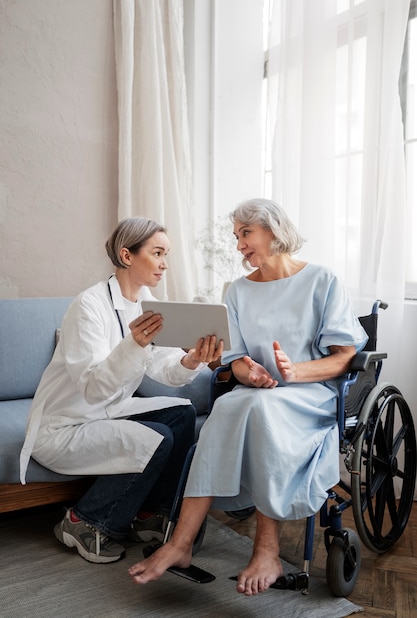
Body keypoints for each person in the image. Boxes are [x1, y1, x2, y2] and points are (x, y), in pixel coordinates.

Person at [128, 198, 368, 595]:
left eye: (245, 234)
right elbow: (236, 359)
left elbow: (344, 358)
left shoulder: (322, 281)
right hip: (258, 395)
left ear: (272, 231)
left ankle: (267, 549)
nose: (238, 245)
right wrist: (248, 371)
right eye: (236, 236)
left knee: (256, 408)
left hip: (309, 397)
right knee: (228, 405)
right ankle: (180, 543)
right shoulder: (237, 291)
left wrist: (296, 371)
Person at [19, 217, 222, 564]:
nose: (164, 263)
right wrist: (134, 344)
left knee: (182, 413)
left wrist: (191, 361)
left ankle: (149, 514)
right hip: (65, 425)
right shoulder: (88, 307)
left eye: (166, 254)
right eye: (157, 253)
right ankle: (85, 520)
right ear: (127, 256)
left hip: (106, 413)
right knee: (156, 437)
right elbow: (94, 388)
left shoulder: (147, 301)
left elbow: (162, 366)